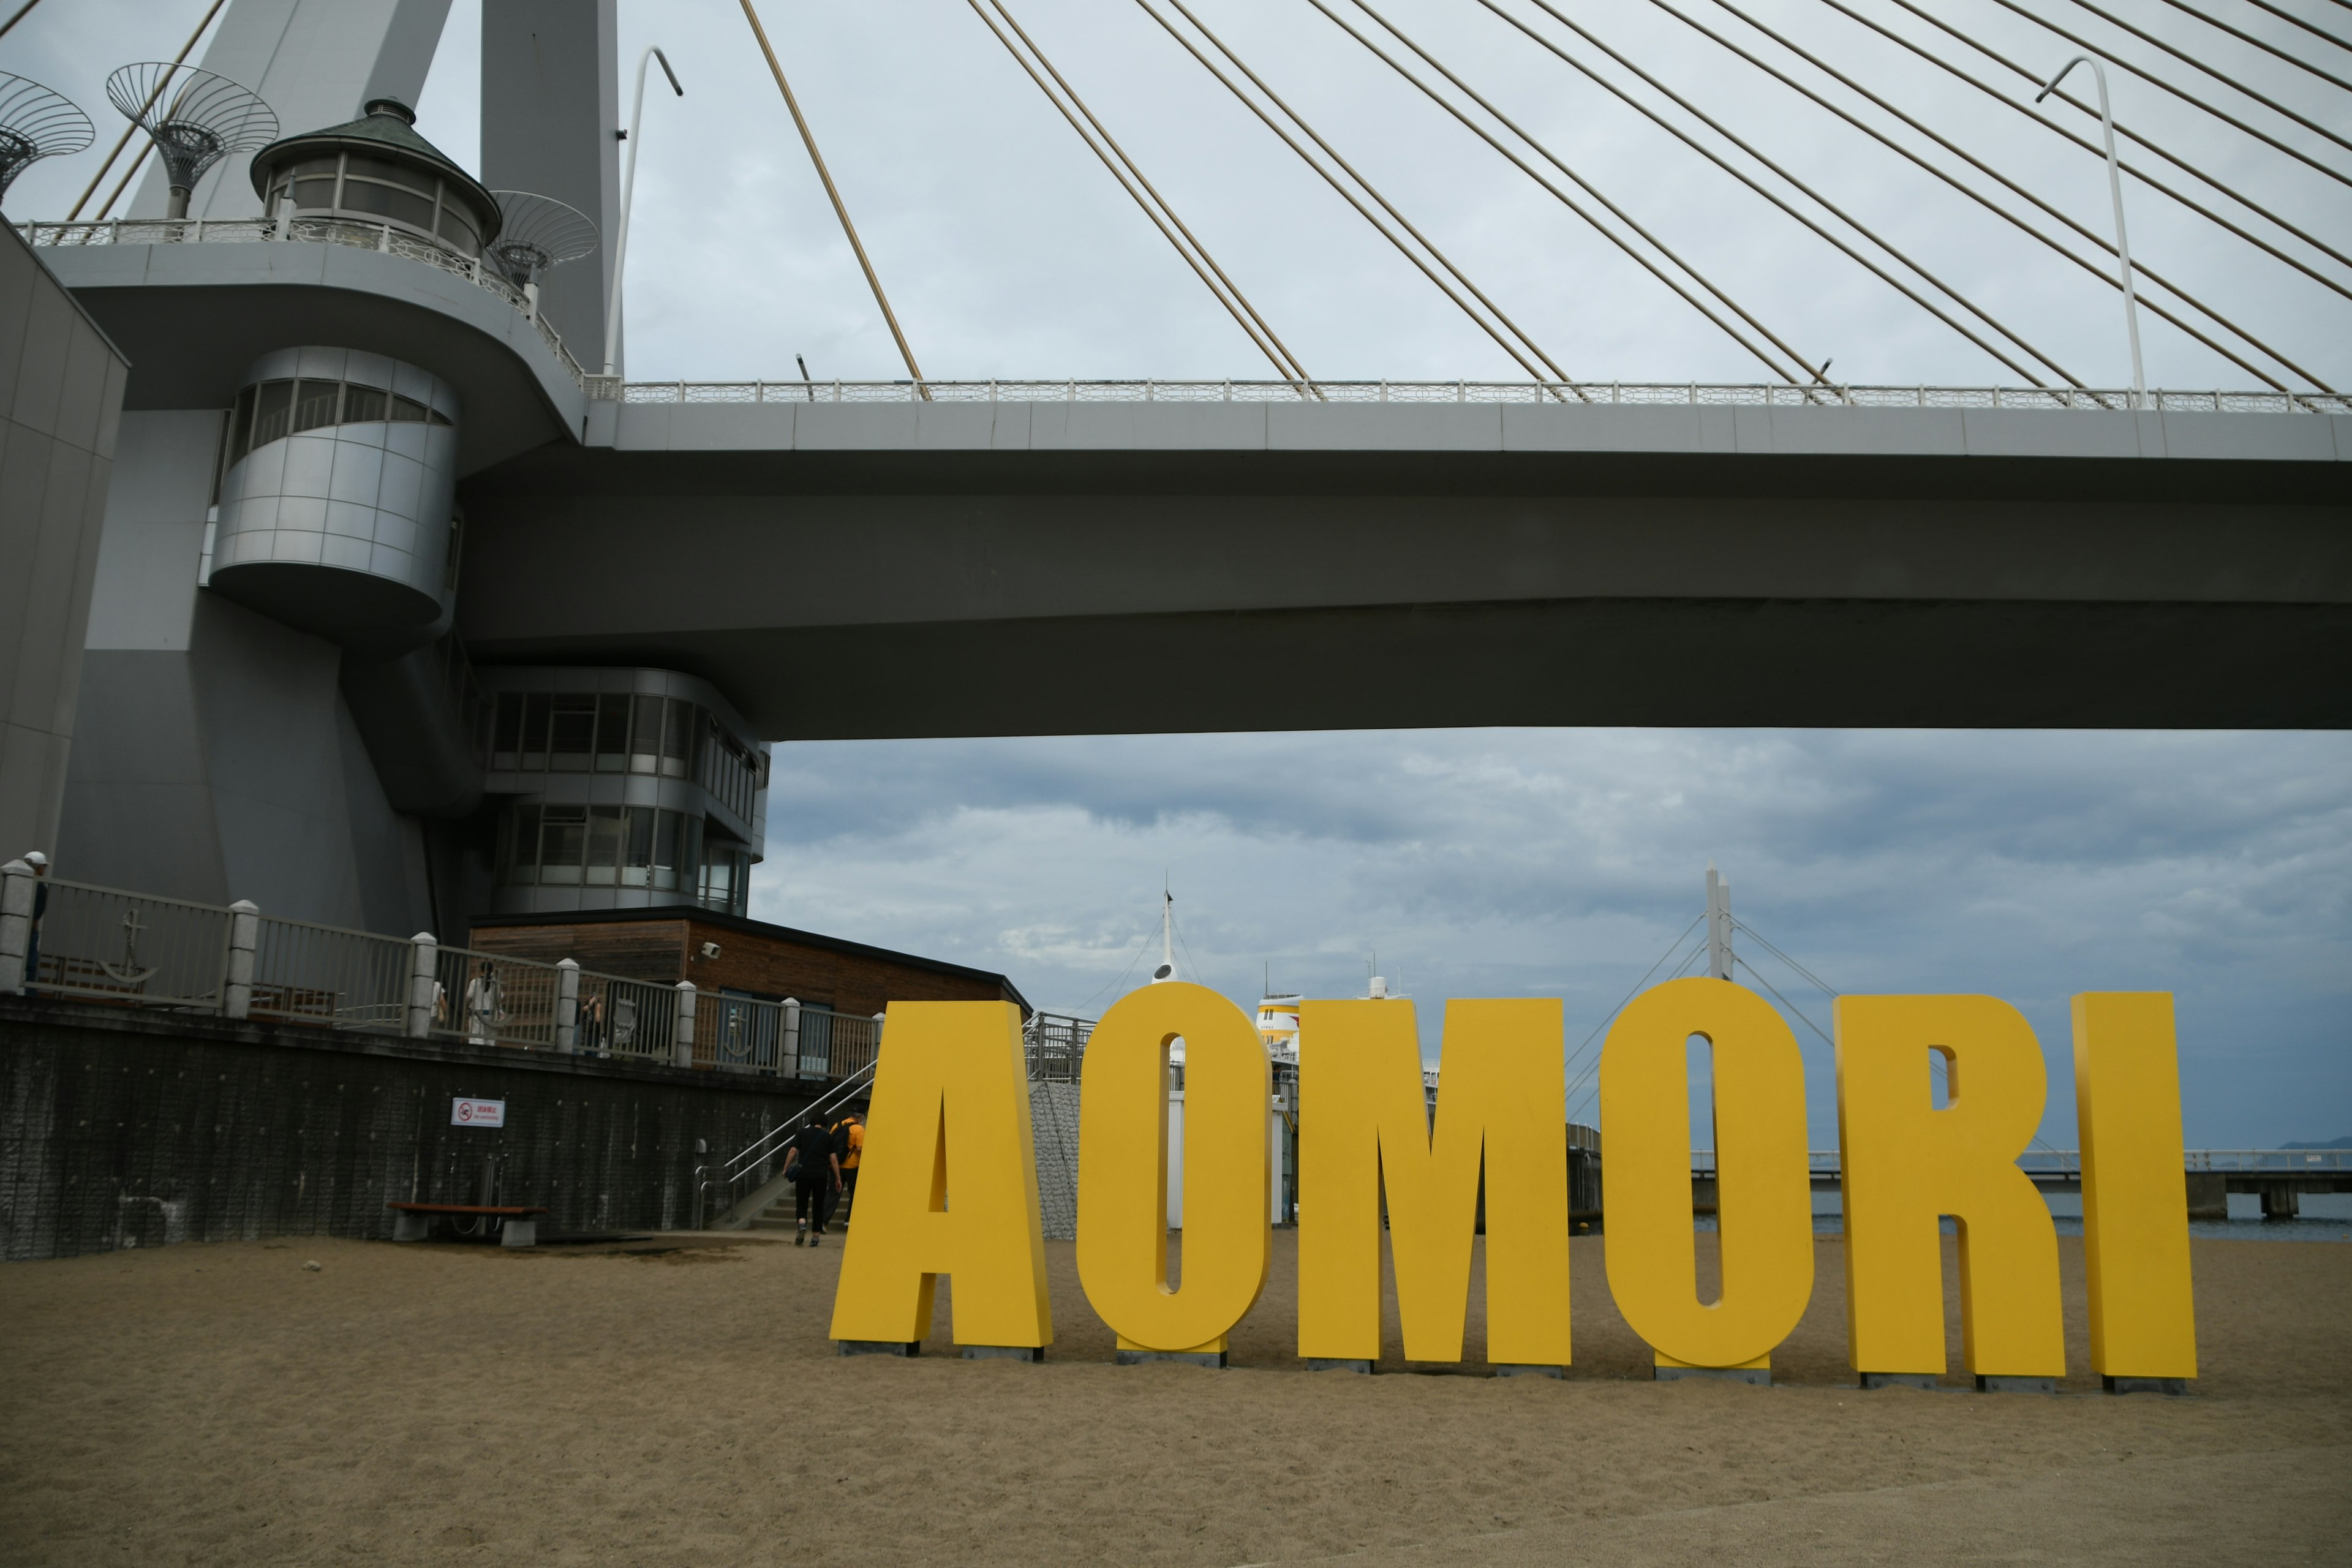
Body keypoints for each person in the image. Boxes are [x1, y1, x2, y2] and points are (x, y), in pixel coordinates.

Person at [780, 1117, 839, 1246]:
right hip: (821, 1176)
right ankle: (815, 1237)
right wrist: (838, 1178)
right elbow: (834, 1160)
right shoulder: (828, 1137)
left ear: (811, 1123)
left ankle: (802, 1224)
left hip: (804, 1175)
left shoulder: (802, 1133)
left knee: (802, 1203)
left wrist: (786, 1168)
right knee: (818, 1206)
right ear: (825, 1125)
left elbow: (793, 1151)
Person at [824, 1113, 864, 1231]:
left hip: (836, 1165)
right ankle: (849, 1220)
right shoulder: (859, 1129)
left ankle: (823, 1222)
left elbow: (830, 1144)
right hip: (853, 1166)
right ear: (861, 1117)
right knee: (854, 1193)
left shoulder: (837, 1125)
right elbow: (860, 1148)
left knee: (833, 1193)